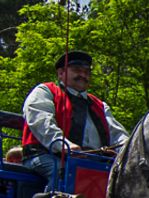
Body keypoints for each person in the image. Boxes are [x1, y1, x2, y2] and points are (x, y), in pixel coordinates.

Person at [21, 51, 127, 190]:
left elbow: (117, 134)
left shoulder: (99, 105)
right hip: (47, 155)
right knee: (64, 172)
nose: (82, 75)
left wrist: (129, 150)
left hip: (95, 161)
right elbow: (41, 122)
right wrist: (65, 146)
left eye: (86, 72)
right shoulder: (46, 92)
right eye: (77, 70)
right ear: (61, 73)